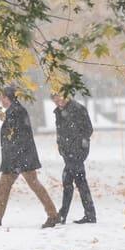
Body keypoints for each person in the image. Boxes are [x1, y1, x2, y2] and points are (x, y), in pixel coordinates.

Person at [0, 86, 60, 228]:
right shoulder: (14, 111)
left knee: (34, 185)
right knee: (5, 186)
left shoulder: (17, 111)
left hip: (21, 158)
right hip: (16, 157)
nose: (0, 101)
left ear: (6, 98)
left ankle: (53, 215)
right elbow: (13, 133)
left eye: (1, 98)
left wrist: (15, 157)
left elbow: (18, 136)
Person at [52, 90, 96, 224]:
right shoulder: (59, 112)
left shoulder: (77, 109)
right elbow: (60, 131)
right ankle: (88, 214)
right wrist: (60, 145)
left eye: (59, 96)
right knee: (77, 182)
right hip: (67, 153)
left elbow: (88, 129)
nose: (57, 99)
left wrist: (79, 144)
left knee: (69, 181)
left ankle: (63, 215)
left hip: (76, 153)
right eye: (54, 98)